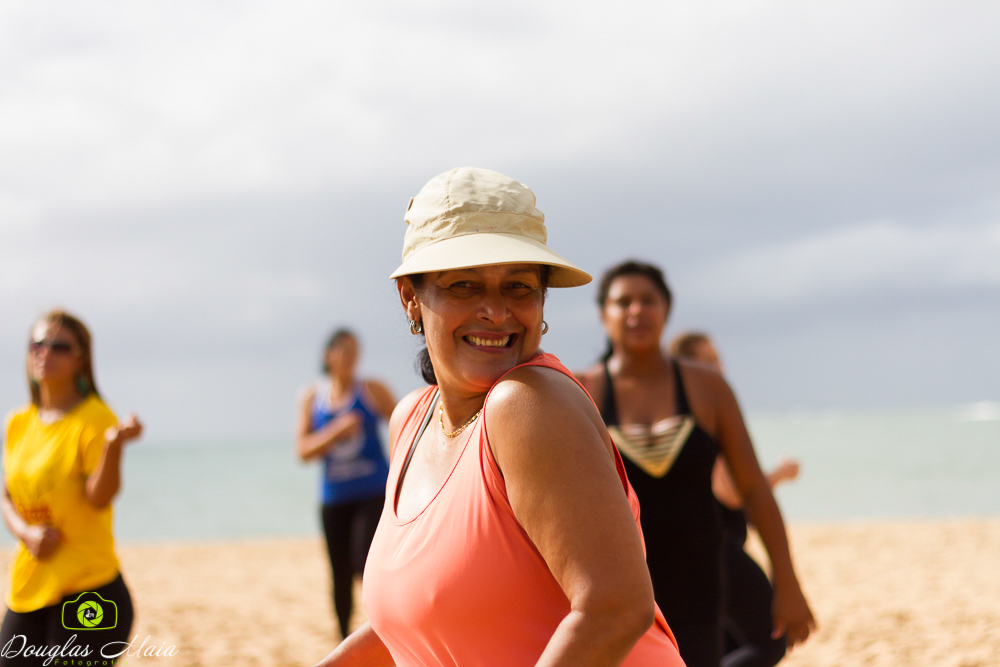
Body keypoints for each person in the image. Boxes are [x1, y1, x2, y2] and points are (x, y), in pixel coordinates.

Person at [311, 167, 685, 667]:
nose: (495, 310)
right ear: (411, 299)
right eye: (464, 285)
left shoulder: (527, 404)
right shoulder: (411, 421)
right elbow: (408, 624)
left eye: (518, 286)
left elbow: (614, 608)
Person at [576, 261, 815, 667]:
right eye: (623, 302)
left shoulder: (707, 387)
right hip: (624, 587)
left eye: (648, 300)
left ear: (666, 310)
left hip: (700, 581)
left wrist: (787, 582)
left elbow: (754, 488)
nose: (636, 311)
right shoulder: (583, 392)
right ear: (603, 315)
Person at [1, 310, 143, 666]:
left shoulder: (95, 418)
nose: (44, 352)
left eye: (59, 346)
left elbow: (100, 498)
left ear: (82, 358)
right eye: (36, 344)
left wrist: (113, 447)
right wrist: (26, 533)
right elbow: (5, 494)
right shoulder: (18, 422)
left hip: (89, 589)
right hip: (31, 585)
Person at [669, 331, 801, 667]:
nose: (717, 366)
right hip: (721, 553)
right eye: (707, 359)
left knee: (722, 647)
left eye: (717, 358)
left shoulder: (680, 416)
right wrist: (779, 475)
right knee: (772, 641)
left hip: (700, 555)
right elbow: (731, 492)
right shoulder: (706, 418)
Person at [296, 329, 396, 639]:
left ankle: (383, 633)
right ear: (329, 356)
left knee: (366, 566)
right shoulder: (313, 397)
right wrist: (335, 432)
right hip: (334, 498)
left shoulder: (371, 389)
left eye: (356, 350)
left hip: (373, 493)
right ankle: (343, 639)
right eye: (344, 350)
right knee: (339, 574)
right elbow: (303, 451)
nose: (351, 356)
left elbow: (407, 426)